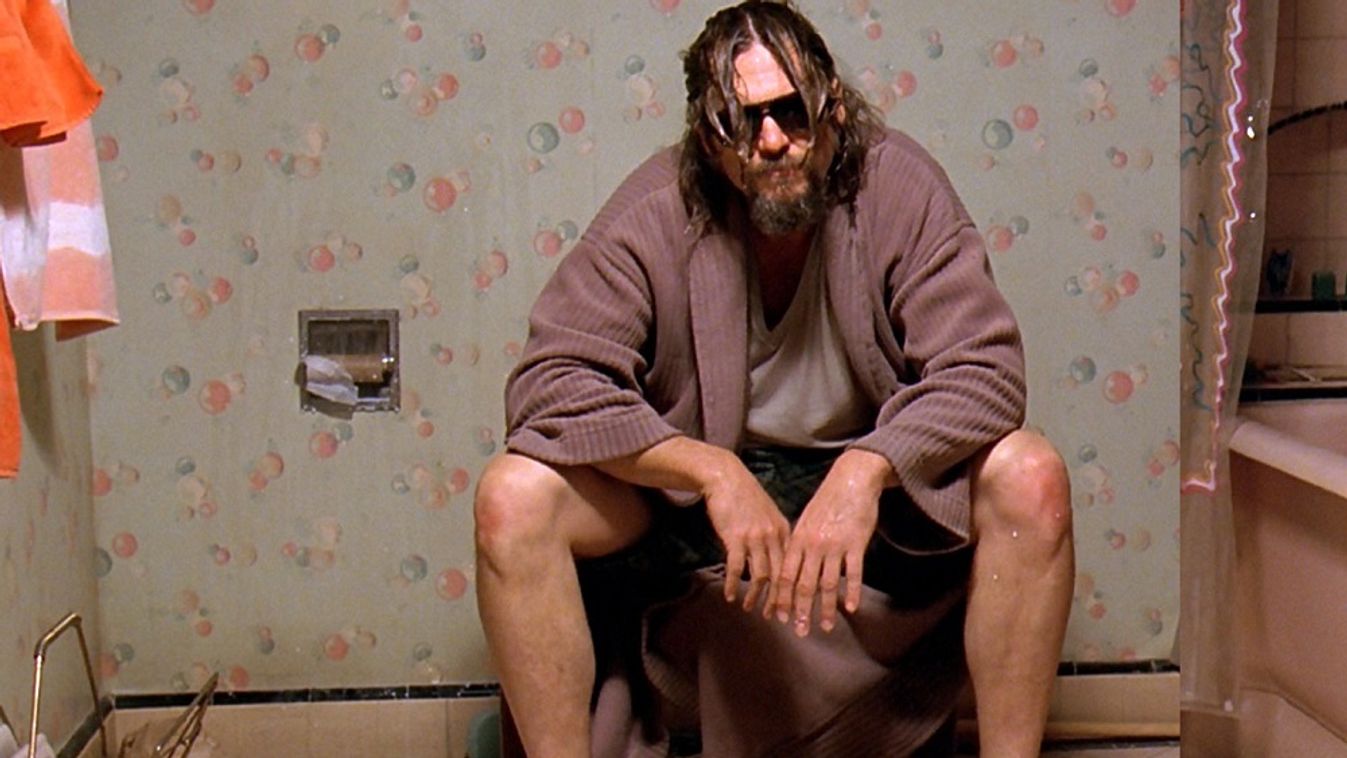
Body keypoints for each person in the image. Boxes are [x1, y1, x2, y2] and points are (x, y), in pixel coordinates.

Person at [473, 1, 1075, 755]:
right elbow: (548, 385)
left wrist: (867, 469)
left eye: (791, 111)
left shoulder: (901, 187)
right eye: (739, 121)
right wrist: (709, 471)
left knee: (1032, 476)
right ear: (707, 139)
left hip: (883, 504)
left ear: (833, 107)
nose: (770, 140)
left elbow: (986, 370)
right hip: (693, 508)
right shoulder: (656, 210)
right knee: (512, 495)